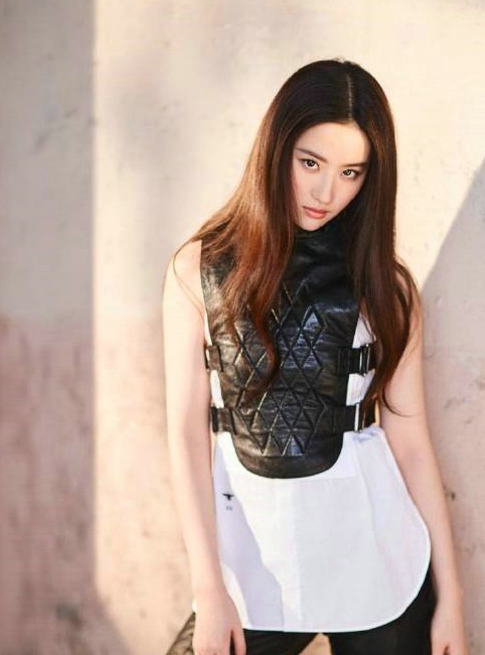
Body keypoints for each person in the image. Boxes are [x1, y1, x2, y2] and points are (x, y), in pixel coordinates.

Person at [161, 58, 468, 655]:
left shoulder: (386, 287)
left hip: (375, 560)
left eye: (351, 172)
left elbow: (411, 445)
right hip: (255, 564)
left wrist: (451, 597)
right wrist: (208, 587)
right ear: (276, 150)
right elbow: (184, 435)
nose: (328, 192)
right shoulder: (196, 268)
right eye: (311, 163)